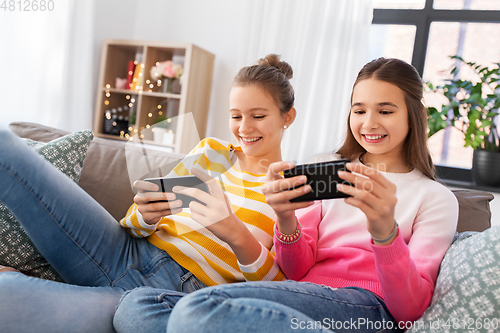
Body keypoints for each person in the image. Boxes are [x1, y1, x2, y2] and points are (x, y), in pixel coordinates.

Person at [0, 54, 295, 333]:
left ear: (287, 116)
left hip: (172, 295)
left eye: (258, 116)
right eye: (235, 116)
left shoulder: (291, 186)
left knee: (6, 295)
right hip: (124, 250)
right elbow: (134, 220)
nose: (244, 128)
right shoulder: (212, 151)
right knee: (6, 149)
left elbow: (284, 289)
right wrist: (145, 214)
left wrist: (234, 232)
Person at [164, 57, 459, 333]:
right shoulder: (324, 167)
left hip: (369, 307)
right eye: (359, 110)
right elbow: (296, 271)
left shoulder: (435, 198)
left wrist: (385, 233)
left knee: (193, 310)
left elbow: (408, 311)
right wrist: (285, 217)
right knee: (142, 307)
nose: (369, 123)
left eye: (385, 111)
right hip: (303, 296)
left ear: (416, 114)